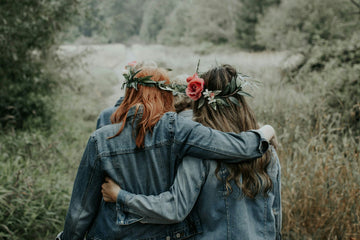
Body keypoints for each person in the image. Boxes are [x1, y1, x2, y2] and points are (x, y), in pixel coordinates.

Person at [57, 64, 275, 240]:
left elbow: (81, 208)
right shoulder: (178, 130)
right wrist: (263, 134)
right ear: (166, 96)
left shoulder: (100, 139)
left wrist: (118, 197)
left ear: (128, 94)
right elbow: (234, 149)